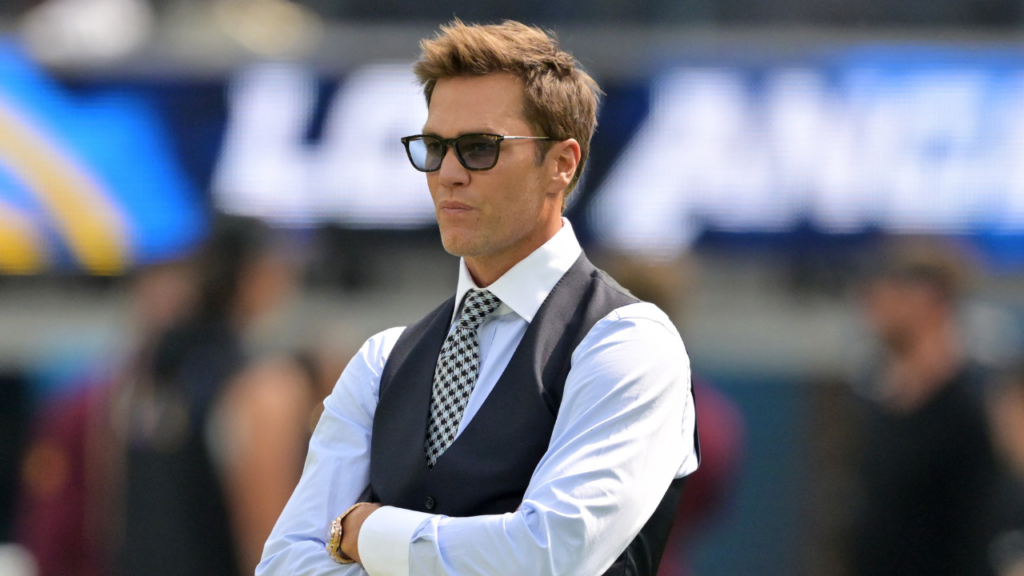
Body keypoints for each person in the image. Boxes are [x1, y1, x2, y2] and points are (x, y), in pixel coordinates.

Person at [259, 19, 699, 576]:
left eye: (478, 148)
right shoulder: (382, 361)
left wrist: (365, 531)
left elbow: (549, 555)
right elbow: (285, 564)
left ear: (562, 164)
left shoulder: (629, 343)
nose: (447, 173)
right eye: (434, 147)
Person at [849, 240, 999, 576]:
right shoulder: (877, 401)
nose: (874, 302)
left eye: (892, 289)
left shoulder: (975, 407)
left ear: (931, 299)